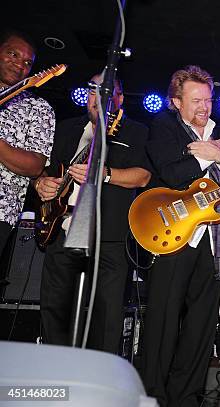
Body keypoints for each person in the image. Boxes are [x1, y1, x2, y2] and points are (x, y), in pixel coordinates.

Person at [142, 65, 220, 407]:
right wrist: (203, 156)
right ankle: (152, 393)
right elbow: (169, 173)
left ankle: (186, 396)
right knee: (163, 317)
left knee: (201, 325)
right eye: (196, 100)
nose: (204, 107)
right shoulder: (164, 126)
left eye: (208, 100)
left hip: (214, 241)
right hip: (175, 235)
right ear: (176, 101)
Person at [34, 73, 151, 353]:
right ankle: (54, 374)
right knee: (55, 308)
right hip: (61, 228)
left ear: (120, 99)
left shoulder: (136, 131)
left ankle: (99, 379)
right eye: (92, 90)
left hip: (108, 236)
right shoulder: (65, 128)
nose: (98, 97)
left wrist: (105, 173)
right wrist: (41, 184)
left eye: (107, 91)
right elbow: (46, 169)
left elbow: (143, 177)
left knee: (108, 315)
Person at [0, 29, 55, 255]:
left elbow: (35, 166)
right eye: (12, 54)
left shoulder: (39, 109)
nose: (19, 64)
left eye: (27, 62)